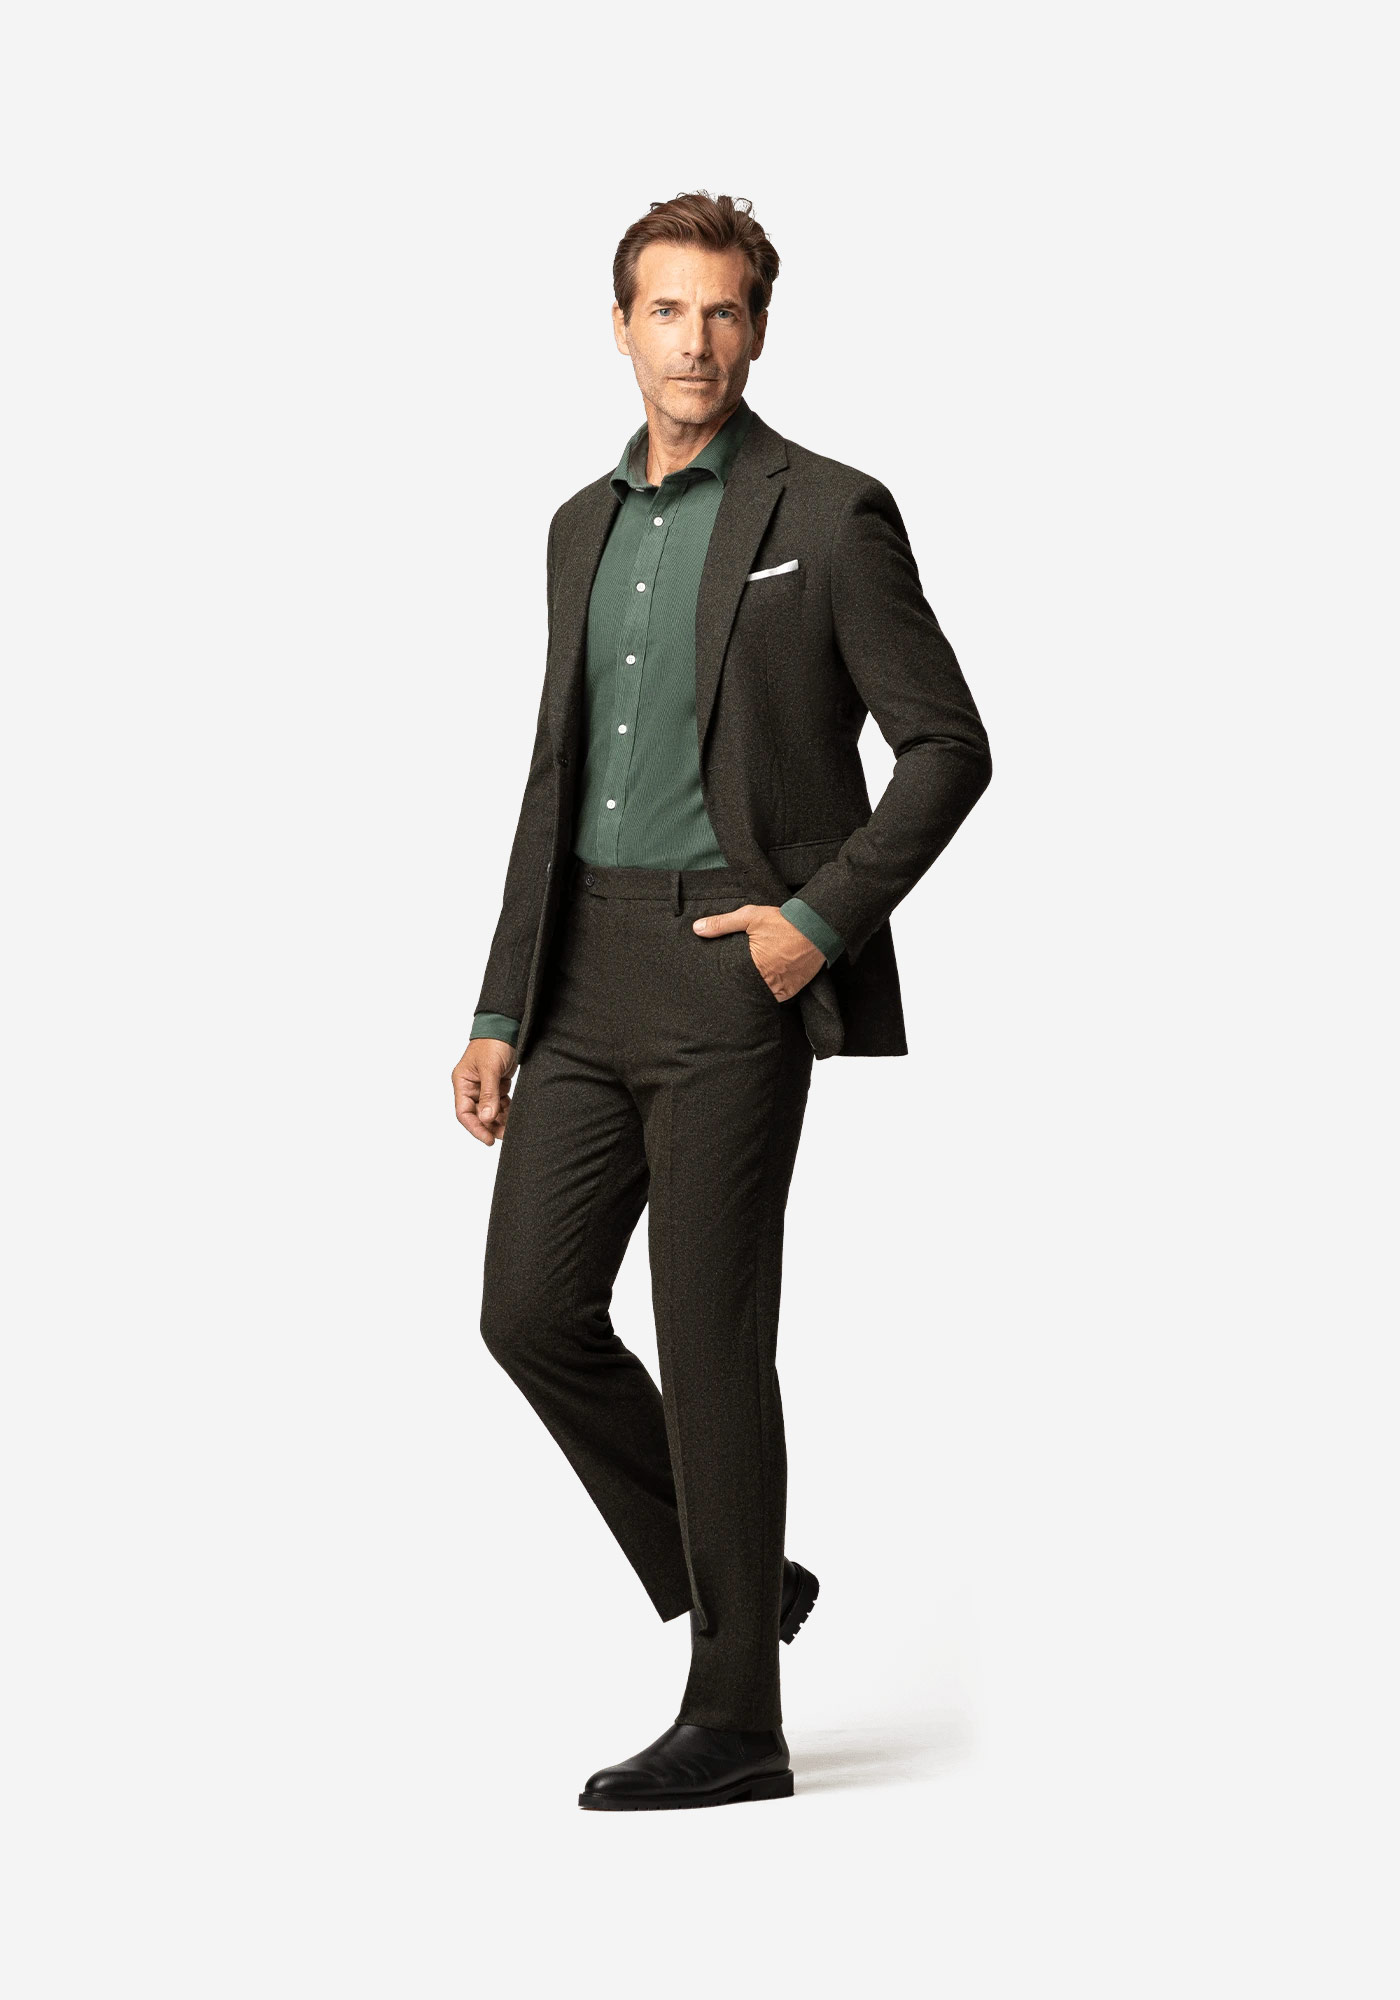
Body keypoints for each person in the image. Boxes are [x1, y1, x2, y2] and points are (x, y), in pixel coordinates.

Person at [452, 191, 992, 1811]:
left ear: (759, 328)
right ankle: (746, 1570)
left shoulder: (829, 512)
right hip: (580, 971)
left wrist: (814, 924)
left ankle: (737, 1716)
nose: (695, 343)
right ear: (619, 326)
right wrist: (498, 1006)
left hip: (728, 969)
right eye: (667, 311)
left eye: (725, 311)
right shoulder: (579, 525)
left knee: (710, 1338)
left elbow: (948, 746)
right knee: (528, 1312)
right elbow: (553, 775)